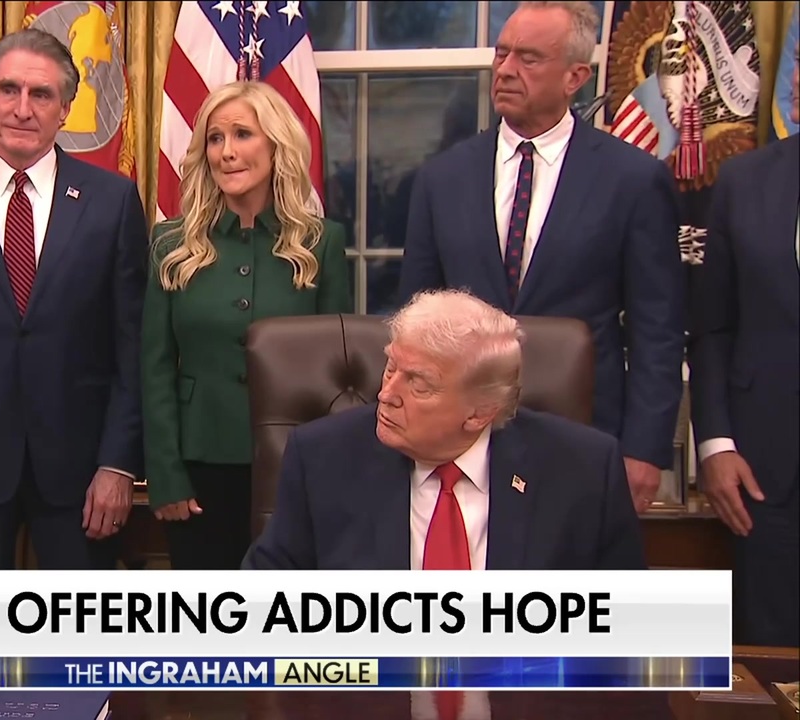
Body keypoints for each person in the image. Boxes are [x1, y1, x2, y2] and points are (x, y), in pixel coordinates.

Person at [397, 0, 685, 514]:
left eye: (528, 58)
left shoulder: (633, 180)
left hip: (584, 434)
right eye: (502, 53)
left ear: (576, 76)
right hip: (459, 434)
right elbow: (415, 317)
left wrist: (644, 449)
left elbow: (656, 328)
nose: (506, 69)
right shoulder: (442, 178)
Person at [0, 29, 147, 570]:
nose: (23, 109)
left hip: (81, 477)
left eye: (41, 94)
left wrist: (118, 465)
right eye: (9, 90)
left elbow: (134, 345)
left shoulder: (112, 201)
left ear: (65, 109)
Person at [242, 289, 645, 571]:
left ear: (480, 413)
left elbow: (627, 629)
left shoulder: (585, 470)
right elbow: (264, 607)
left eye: (418, 384)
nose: (386, 394)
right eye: (391, 367)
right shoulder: (323, 458)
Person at [142, 80, 353, 570]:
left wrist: (331, 472)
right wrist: (165, 475)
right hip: (198, 465)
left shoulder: (320, 243)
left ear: (276, 146)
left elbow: (337, 373)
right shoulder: (171, 244)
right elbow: (154, 368)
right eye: (215, 139)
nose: (227, 152)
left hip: (294, 463)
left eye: (242, 135)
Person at [686, 51, 799, 647]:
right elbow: (713, 328)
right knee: (770, 664)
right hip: (765, 477)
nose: (797, 79)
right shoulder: (744, 182)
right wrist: (716, 443)